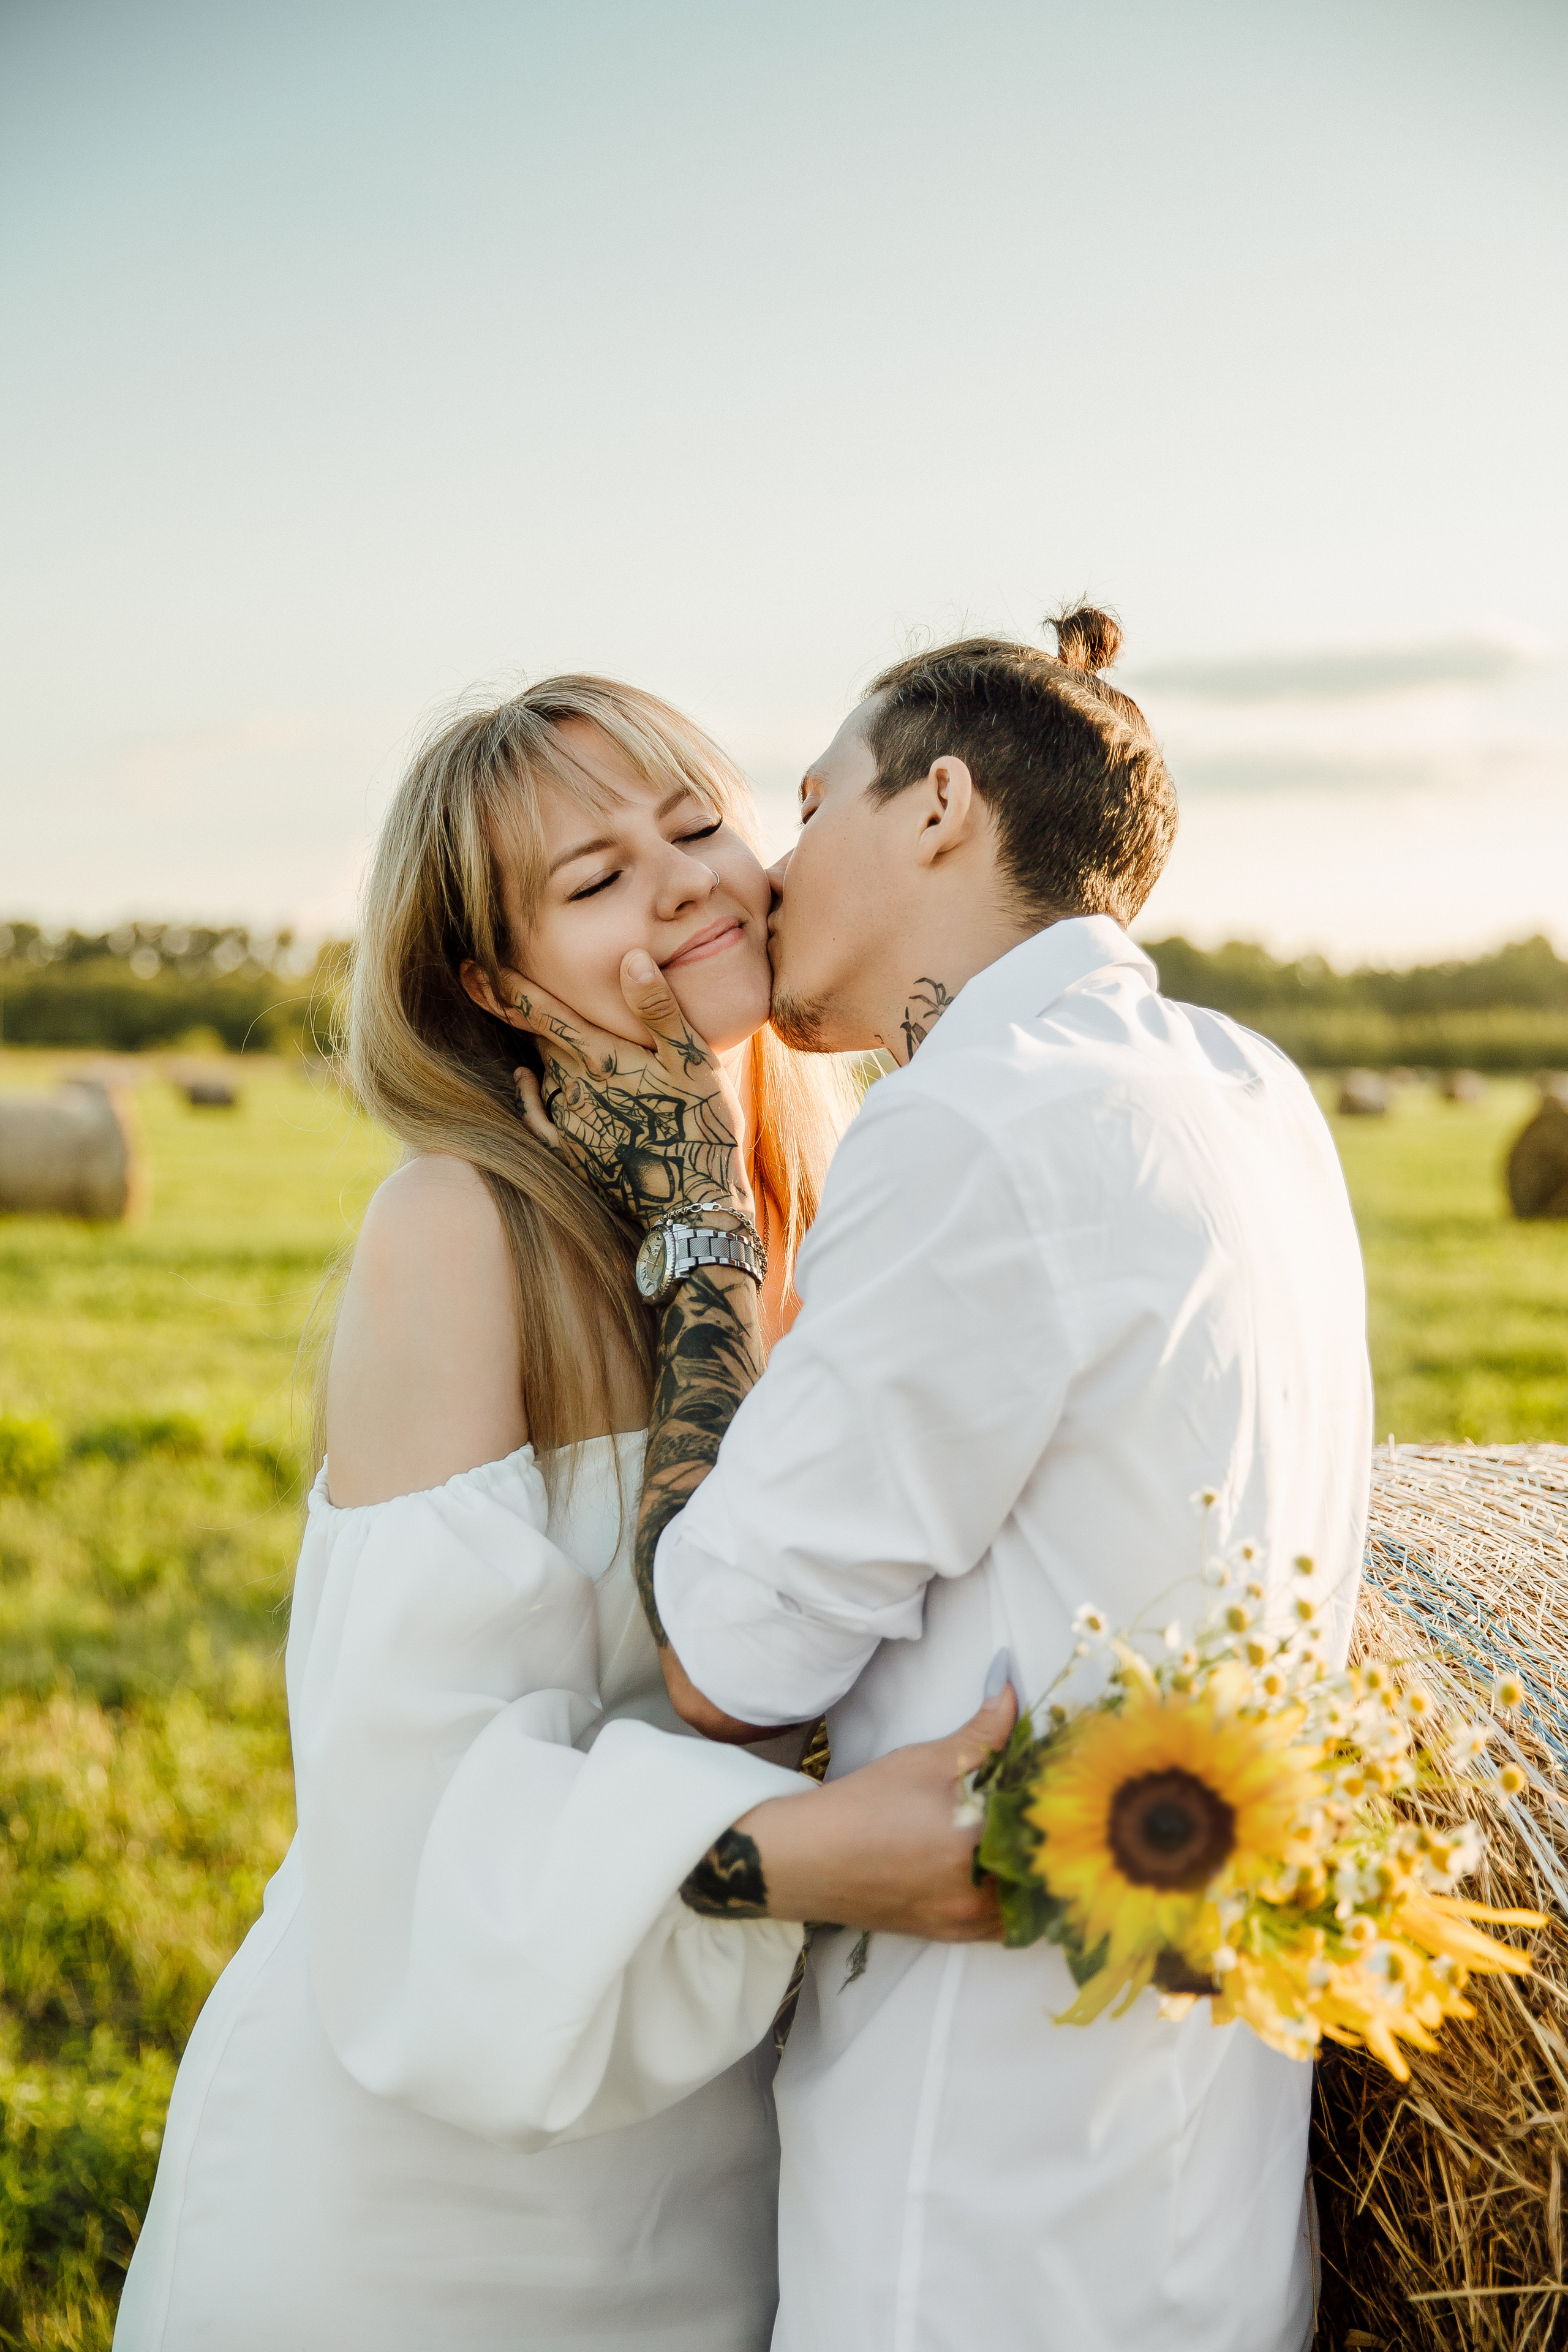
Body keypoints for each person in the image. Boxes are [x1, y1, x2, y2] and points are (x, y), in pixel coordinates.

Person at [115, 676, 1014, 2352]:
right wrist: (827, 1855)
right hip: (416, 2214)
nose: (679, 884)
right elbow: (418, 1826)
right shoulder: (459, 1230)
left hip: (727, 2186)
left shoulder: (855, 1212)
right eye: (593, 880)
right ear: (494, 986)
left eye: (695, 826)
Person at [512, 611, 1374, 2352]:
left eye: (810, 803)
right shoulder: (1249, 1089)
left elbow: (729, 1658)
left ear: (938, 807)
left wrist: (700, 1231)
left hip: (978, 2192)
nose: (768, 873)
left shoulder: (977, 1113)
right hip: (1200, 2150)